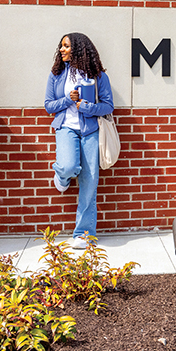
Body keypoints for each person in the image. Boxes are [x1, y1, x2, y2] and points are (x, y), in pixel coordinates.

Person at [44, 32, 114, 248]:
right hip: (66, 128)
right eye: (61, 46)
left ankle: (83, 234)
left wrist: (86, 107)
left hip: (91, 131)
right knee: (67, 166)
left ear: (80, 49)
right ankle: (62, 178)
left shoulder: (98, 76)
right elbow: (48, 105)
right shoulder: (56, 75)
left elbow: (108, 106)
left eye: (66, 46)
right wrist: (68, 100)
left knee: (89, 183)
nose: (62, 50)